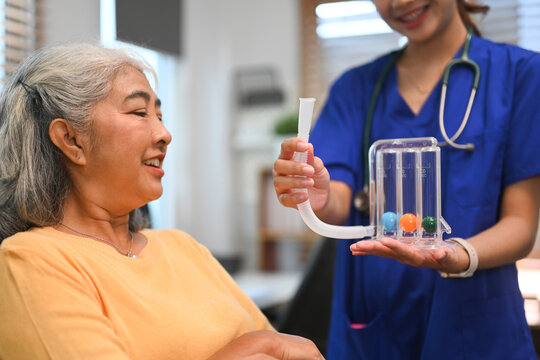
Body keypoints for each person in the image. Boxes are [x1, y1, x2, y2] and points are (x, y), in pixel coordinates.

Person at [0, 43, 324, 360]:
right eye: (139, 112)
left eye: (160, 115)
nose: (164, 133)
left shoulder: (183, 247)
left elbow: (281, 348)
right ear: (71, 140)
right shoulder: (30, 261)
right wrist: (247, 349)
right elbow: (267, 346)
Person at [273, 0, 540, 359]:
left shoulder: (521, 74)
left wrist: (459, 255)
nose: (399, 2)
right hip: (375, 333)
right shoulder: (355, 90)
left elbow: (521, 224)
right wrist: (316, 195)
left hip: (477, 331)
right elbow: (335, 197)